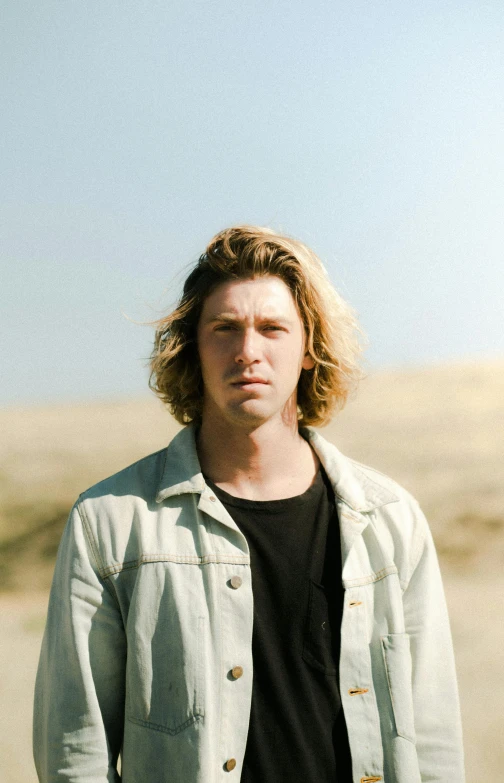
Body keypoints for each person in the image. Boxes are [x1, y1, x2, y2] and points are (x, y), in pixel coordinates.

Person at [33, 225, 465, 783]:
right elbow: (76, 750)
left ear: (309, 348)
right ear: (193, 346)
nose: (248, 352)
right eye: (225, 328)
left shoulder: (390, 522)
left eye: (272, 328)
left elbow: (433, 739)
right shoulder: (111, 524)